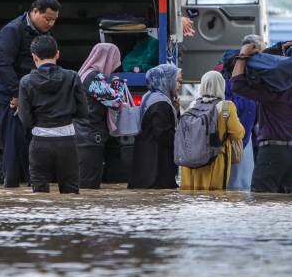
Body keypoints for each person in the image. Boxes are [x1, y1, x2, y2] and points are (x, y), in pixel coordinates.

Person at [0, 0, 61, 186]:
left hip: (32, 94)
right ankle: (11, 184)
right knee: (14, 140)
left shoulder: (45, 35)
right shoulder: (13, 30)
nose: (51, 23)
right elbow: (4, 66)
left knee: (34, 140)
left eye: (54, 20)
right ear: (35, 11)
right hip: (10, 93)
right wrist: (17, 96)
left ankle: (34, 184)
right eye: (47, 19)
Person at [231, 38, 292, 193]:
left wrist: (243, 55)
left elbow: (236, 84)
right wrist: (278, 50)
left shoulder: (271, 93)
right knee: (286, 206)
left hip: (272, 153)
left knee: (261, 201)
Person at [18, 34, 88, 193]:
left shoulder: (26, 81)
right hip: (67, 142)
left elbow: (25, 119)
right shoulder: (72, 77)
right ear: (57, 53)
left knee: (39, 195)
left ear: (34, 57)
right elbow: (84, 111)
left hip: (39, 142)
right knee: (71, 194)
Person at [179, 71, 245, 191]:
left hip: (190, 163)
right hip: (214, 162)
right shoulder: (226, 107)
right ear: (222, 86)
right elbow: (238, 133)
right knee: (214, 201)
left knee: (192, 199)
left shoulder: (192, 105)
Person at [74, 42, 124, 188]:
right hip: (89, 137)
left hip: (83, 135)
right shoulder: (92, 77)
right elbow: (115, 101)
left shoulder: (85, 74)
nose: (115, 66)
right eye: (115, 61)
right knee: (89, 185)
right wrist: (118, 84)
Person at [128, 63, 180, 189]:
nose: (179, 86)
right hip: (157, 167)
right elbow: (163, 134)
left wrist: (176, 109)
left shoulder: (149, 96)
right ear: (166, 80)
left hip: (145, 163)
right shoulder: (161, 103)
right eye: (177, 81)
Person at [225, 75, 256, 190]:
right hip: (237, 139)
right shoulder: (248, 87)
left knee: (239, 182)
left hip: (243, 139)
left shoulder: (249, 84)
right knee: (239, 182)